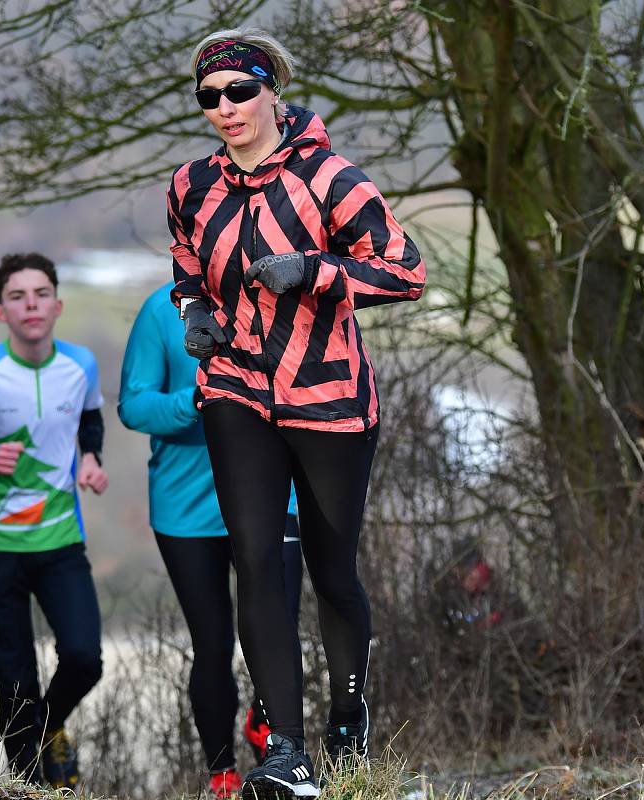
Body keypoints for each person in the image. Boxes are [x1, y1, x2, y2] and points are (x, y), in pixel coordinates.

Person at [167, 28, 426, 799]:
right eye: (209, 97)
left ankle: (347, 721)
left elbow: (403, 272)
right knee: (254, 561)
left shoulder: (330, 177)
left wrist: (313, 269)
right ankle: (287, 749)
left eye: (239, 91)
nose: (225, 108)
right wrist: (194, 313)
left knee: (331, 570)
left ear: (271, 90)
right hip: (236, 391)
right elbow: (186, 265)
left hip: (330, 398)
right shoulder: (189, 184)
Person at [118, 281, 303, 799]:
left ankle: (279, 749)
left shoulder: (278, 296)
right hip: (188, 506)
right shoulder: (160, 310)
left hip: (270, 492)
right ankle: (220, 772)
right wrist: (200, 398)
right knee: (213, 643)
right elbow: (134, 406)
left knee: (281, 625)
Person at [0, 253, 108, 789]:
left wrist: (92, 457)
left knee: (84, 657)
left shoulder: (80, 364)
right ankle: (31, 783)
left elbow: (91, 417)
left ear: (57, 305)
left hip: (59, 539)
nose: (30, 305)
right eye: (17, 296)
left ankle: (51, 724)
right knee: (14, 686)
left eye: (39, 295)